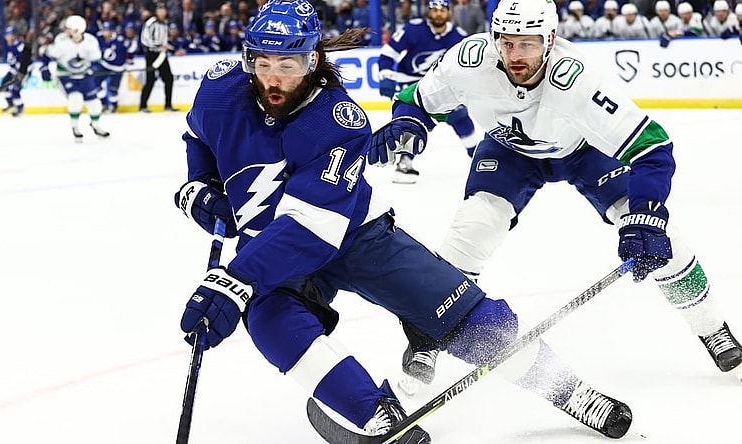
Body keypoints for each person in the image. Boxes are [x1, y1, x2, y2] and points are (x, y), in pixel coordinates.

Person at [172, 0, 634, 441]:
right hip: (273, 249)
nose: (272, 77)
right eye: (263, 62)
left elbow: (310, 228)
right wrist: (198, 187)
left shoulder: (336, 120)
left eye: (288, 64)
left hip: (356, 237)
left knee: (470, 318)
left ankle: (570, 391)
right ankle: (375, 413)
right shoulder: (221, 88)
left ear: (313, 60)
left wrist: (235, 279)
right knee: (270, 321)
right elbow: (198, 137)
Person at [369, 0, 742, 394]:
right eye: (507, 42)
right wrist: (407, 121)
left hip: (584, 152)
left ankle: (713, 329)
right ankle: (428, 337)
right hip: (509, 151)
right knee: (472, 229)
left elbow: (653, 147)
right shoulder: (468, 60)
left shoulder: (580, 80)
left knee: (670, 242)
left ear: (550, 39)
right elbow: (416, 97)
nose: (515, 55)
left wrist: (647, 213)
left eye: (527, 43)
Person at [378, 0, 479, 184]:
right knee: (413, 123)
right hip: (413, 87)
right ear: (428, 11)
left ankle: (479, 160)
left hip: (443, 89)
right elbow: (388, 53)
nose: (438, 13)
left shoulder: (459, 37)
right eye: (434, 9)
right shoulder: (414, 29)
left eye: (442, 9)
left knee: (461, 119)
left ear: (449, 12)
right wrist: (385, 75)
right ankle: (405, 161)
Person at [41, 15, 110, 141]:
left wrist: (93, 69)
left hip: (84, 75)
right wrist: (44, 68)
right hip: (66, 75)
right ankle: (75, 127)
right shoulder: (61, 41)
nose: (66, 31)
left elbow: (96, 60)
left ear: (78, 30)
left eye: (69, 29)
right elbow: (47, 53)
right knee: (75, 98)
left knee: (94, 103)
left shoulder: (90, 41)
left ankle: (95, 125)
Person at [139, 2, 178, 112]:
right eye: (160, 10)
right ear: (156, 12)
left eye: (163, 10)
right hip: (151, 54)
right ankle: (142, 106)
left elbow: (164, 42)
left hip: (161, 54)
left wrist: (173, 50)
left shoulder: (165, 23)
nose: (162, 12)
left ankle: (168, 105)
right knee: (150, 80)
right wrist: (158, 44)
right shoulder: (150, 22)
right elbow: (145, 39)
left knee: (169, 78)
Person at [96, 21, 130, 113]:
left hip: (117, 68)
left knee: (113, 89)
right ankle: (104, 104)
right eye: (103, 30)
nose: (104, 32)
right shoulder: (99, 38)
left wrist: (128, 59)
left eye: (106, 30)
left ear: (111, 31)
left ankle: (114, 106)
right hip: (104, 65)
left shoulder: (120, 40)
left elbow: (128, 52)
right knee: (96, 84)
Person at [0, 26, 27, 116]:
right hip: (13, 71)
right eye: (7, 35)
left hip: (22, 72)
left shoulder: (20, 46)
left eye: (10, 35)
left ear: (14, 36)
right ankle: (10, 104)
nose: (7, 37)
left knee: (15, 90)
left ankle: (20, 107)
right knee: (3, 85)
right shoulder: (9, 45)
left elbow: (26, 60)